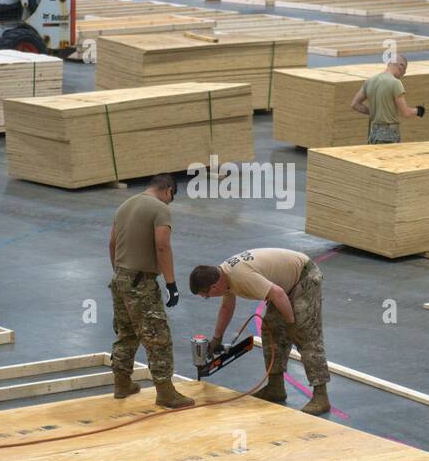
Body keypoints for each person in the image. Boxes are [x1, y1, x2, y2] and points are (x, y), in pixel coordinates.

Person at [189, 248, 331, 416]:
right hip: (284, 286)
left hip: (303, 277)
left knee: (305, 335)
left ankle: (321, 396)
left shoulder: (241, 276)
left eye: (206, 295)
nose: (208, 298)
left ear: (214, 287)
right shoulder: (222, 275)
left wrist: (292, 324)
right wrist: (217, 338)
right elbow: (227, 306)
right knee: (271, 330)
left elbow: (277, 294)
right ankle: (275, 387)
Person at [108, 174, 194, 409]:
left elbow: (112, 243)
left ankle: (122, 383)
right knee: (158, 337)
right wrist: (171, 283)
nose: (169, 203)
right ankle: (166, 392)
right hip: (141, 283)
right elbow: (162, 246)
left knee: (126, 333)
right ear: (167, 190)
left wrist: (119, 273)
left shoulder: (125, 205)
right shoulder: (159, 209)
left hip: (120, 279)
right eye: (171, 198)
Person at [350, 55, 426, 144]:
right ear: (401, 66)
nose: (403, 74)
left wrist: (375, 112)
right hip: (388, 136)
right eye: (404, 71)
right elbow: (406, 113)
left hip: (373, 133)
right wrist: (419, 111)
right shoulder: (395, 83)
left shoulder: (370, 81)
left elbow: (355, 104)